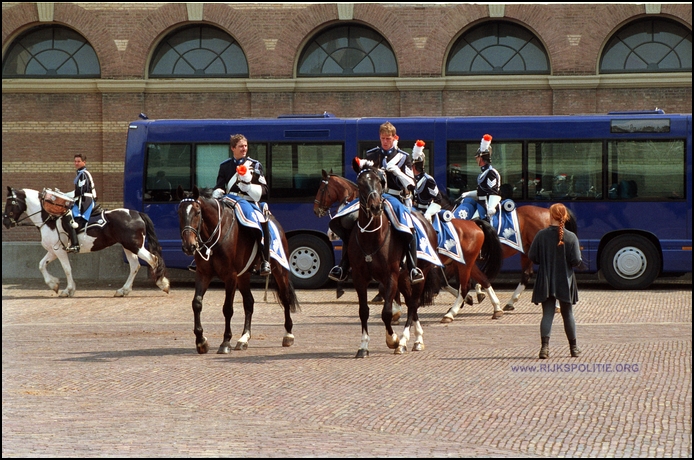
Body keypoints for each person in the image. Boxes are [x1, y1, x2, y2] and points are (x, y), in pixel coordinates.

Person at [329, 122, 424, 284]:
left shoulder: (403, 157)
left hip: (392, 196)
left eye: (388, 138)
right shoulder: (372, 154)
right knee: (346, 218)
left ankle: (413, 266)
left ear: (394, 138)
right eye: (382, 138)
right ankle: (343, 265)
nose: (385, 141)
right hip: (371, 196)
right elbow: (363, 175)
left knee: (408, 224)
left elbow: (411, 183)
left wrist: (397, 172)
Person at [210, 134, 271, 277]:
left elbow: (265, 189)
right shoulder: (224, 166)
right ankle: (205, 257)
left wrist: (249, 187)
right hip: (229, 201)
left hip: (250, 201)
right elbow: (220, 186)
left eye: (245, 146)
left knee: (260, 221)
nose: (244, 149)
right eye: (241, 146)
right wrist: (217, 192)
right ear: (233, 148)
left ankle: (264, 260)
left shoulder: (255, 165)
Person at [528, 203, 583, 359]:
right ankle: (573, 348)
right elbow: (576, 261)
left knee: (547, 314)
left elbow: (533, 257)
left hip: (546, 279)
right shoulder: (571, 237)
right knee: (568, 314)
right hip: (565, 279)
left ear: (550, 216)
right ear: (565, 217)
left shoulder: (541, 235)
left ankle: (544, 349)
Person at [457, 134, 502, 222]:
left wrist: (491, 207)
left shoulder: (490, 172)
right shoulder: (484, 172)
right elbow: (482, 191)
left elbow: (493, 192)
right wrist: (468, 194)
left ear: (481, 158)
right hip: (480, 203)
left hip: (485, 206)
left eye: (477, 158)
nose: (476, 160)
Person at [65, 153, 97, 253]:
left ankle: (75, 244)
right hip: (82, 199)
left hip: (84, 201)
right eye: (75, 161)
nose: (76, 163)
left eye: (78, 161)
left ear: (84, 162)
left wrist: (66, 195)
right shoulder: (80, 173)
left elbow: (81, 191)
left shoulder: (83, 174)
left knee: (68, 218)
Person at [411, 140, 442, 222]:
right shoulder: (411, 178)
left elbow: (438, 199)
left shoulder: (428, 180)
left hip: (426, 211)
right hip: (414, 209)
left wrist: (428, 213)